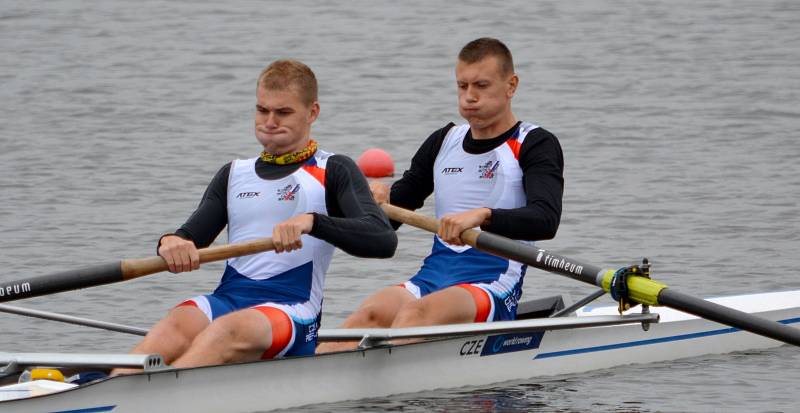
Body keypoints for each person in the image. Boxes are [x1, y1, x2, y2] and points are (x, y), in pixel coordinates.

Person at [113, 59, 397, 373]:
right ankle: (109, 387)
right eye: (262, 110)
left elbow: (383, 240)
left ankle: (151, 399)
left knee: (225, 331)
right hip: (229, 299)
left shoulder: (334, 170)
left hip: (292, 312)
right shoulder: (234, 174)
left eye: (283, 112)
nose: (270, 121)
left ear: (312, 112)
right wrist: (170, 242)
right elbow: (191, 236)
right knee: (175, 323)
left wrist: (312, 222)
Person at [317, 38, 563, 353]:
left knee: (414, 315)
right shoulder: (443, 141)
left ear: (511, 85)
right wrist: (372, 201)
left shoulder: (534, 143)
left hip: (490, 285)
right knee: (371, 313)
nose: (470, 97)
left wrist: (483, 216)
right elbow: (388, 220)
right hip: (431, 279)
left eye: (481, 86)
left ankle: (382, 388)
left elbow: (545, 219)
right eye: (462, 86)